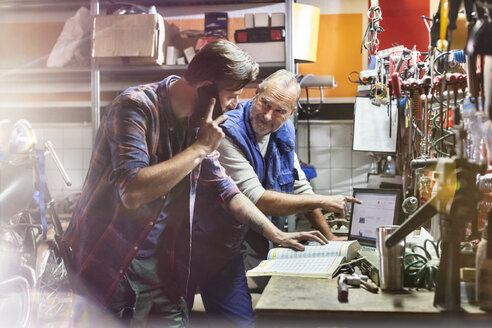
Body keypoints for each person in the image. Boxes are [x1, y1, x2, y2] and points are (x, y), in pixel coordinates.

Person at [62, 41, 327, 327]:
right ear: (206, 86)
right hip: (110, 263)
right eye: (232, 94)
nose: (235, 104)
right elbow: (133, 191)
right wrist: (199, 149)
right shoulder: (135, 106)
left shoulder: (198, 124)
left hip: (163, 266)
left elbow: (226, 190)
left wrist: (277, 235)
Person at [189, 69, 361, 326]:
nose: (268, 115)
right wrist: (324, 200)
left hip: (240, 247)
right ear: (256, 93)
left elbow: (299, 185)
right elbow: (257, 198)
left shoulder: (283, 131)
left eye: (279, 111)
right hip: (208, 245)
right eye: (265, 104)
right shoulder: (227, 131)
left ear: (291, 113)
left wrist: (330, 238)